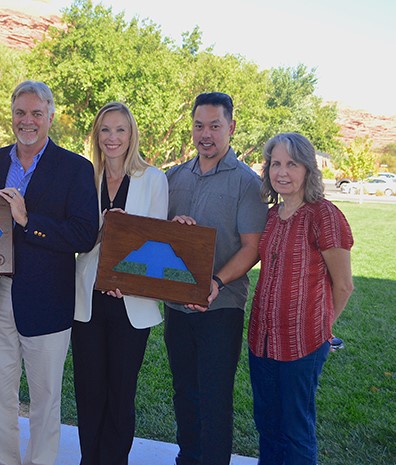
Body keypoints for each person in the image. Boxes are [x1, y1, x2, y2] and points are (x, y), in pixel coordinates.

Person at [0, 80, 99, 465]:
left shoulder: (75, 168)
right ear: (12, 115)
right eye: (20, 113)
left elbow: (84, 234)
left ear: (50, 117)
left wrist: (28, 221)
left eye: (36, 114)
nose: (27, 121)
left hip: (48, 300)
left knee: (45, 398)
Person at [164, 92, 267, 465]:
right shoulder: (173, 177)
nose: (205, 134)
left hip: (220, 307)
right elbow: (154, 238)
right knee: (184, 393)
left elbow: (251, 248)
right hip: (177, 306)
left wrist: (216, 284)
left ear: (231, 128)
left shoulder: (248, 183)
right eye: (198, 125)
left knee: (214, 397)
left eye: (214, 126)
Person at [248, 132, 354, 464]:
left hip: (303, 344)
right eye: (275, 163)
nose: (282, 172)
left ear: (307, 168)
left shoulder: (324, 216)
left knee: (296, 431)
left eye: (291, 164)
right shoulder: (269, 217)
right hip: (261, 342)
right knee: (267, 426)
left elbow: (344, 285)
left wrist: (322, 328)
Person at [72, 102, 168, 465]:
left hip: (132, 302)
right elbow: (81, 238)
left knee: (120, 392)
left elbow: (157, 242)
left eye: (120, 130)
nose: (112, 138)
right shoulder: (85, 177)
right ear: (96, 135)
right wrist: (105, 227)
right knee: (89, 392)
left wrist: (128, 262)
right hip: (89, 299)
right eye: (105, 130)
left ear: (132, 135)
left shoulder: (153, 179)